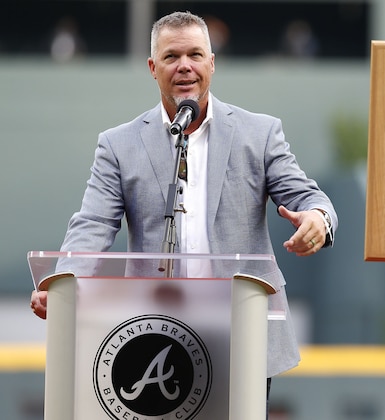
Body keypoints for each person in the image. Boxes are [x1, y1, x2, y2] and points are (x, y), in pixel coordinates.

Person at [30, 10, 337, 415]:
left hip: (240, 332)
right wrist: (64, 279)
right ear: (152, 67)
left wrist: (316, 217)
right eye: (172, 57)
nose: (185, 66)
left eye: (195, 54)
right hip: (152, 334)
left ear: (212, 63)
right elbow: (93, 223)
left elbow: (305, 195)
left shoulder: (260, 133)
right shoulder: (118, 145)